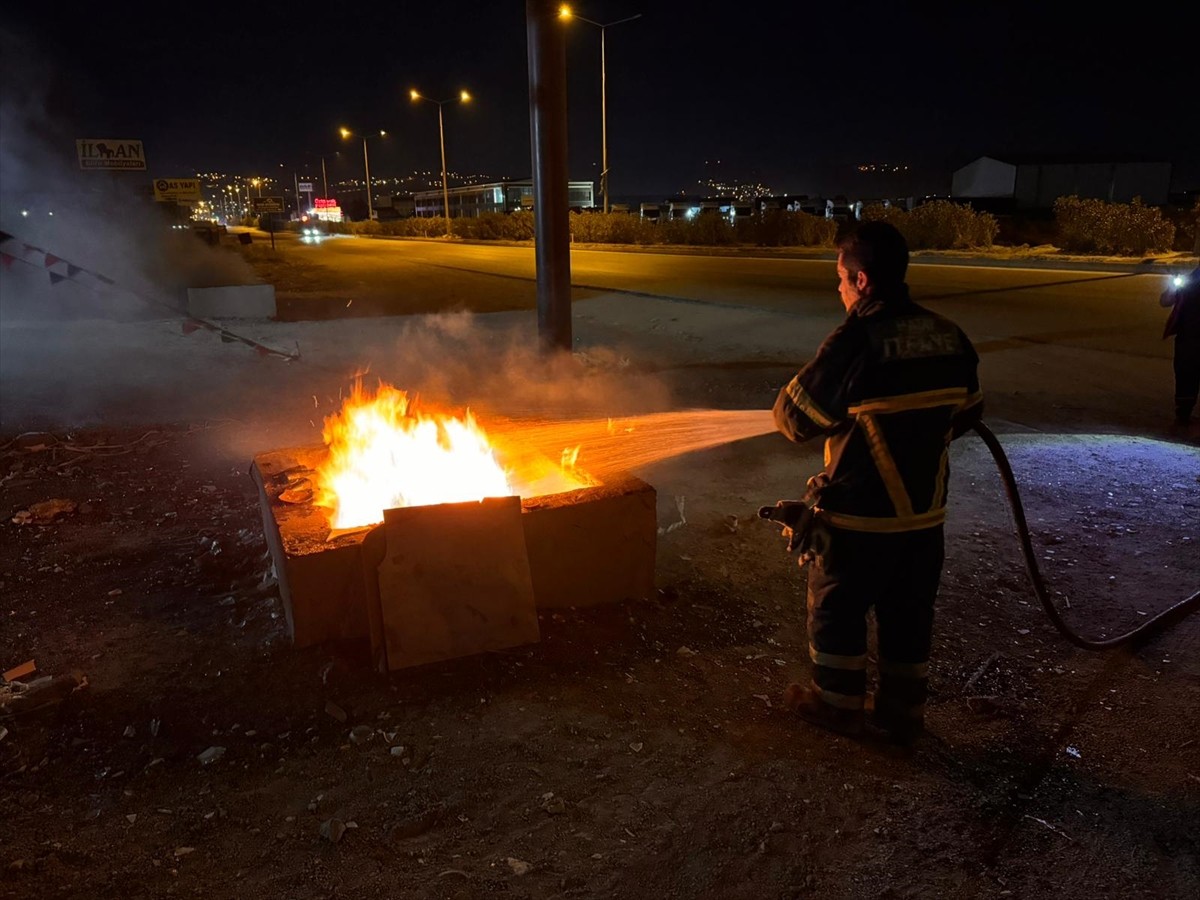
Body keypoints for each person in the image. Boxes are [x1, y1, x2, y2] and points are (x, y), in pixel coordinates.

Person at [771, 221, 982, 744]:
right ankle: (902, 713)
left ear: (862, 281)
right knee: (908, 616)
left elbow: (794, 419)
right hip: (923, 520)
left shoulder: (856, 339)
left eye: (841, 278)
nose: (838, 288)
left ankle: (838, 705)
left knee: (838, 611)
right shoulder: (949, 334)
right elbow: (968, 414)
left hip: (858, 520)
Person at [1159, 267, 1200, 431]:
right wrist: (1173, 286)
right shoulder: (1189, 282)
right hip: (1188, 338)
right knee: (1185, 375)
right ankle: (1183, 415)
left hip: (1188, 338)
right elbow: (1165, 301)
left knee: (1186, 375)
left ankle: (1183, 415)